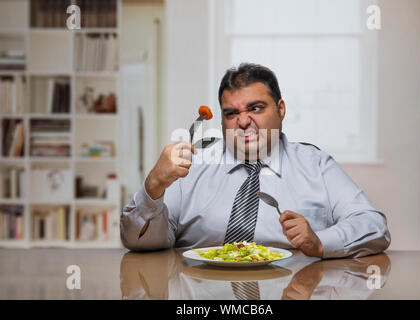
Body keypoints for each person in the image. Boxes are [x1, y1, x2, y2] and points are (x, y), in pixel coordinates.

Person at [120, 63, 391, 258]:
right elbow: (139, 242)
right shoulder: (191, 165)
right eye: (231, 113)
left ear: (281, 109)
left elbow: (373, 227)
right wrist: (153, 186)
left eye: (256, 108)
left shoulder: (316, 164)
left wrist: (321, 242)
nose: (243, 121)